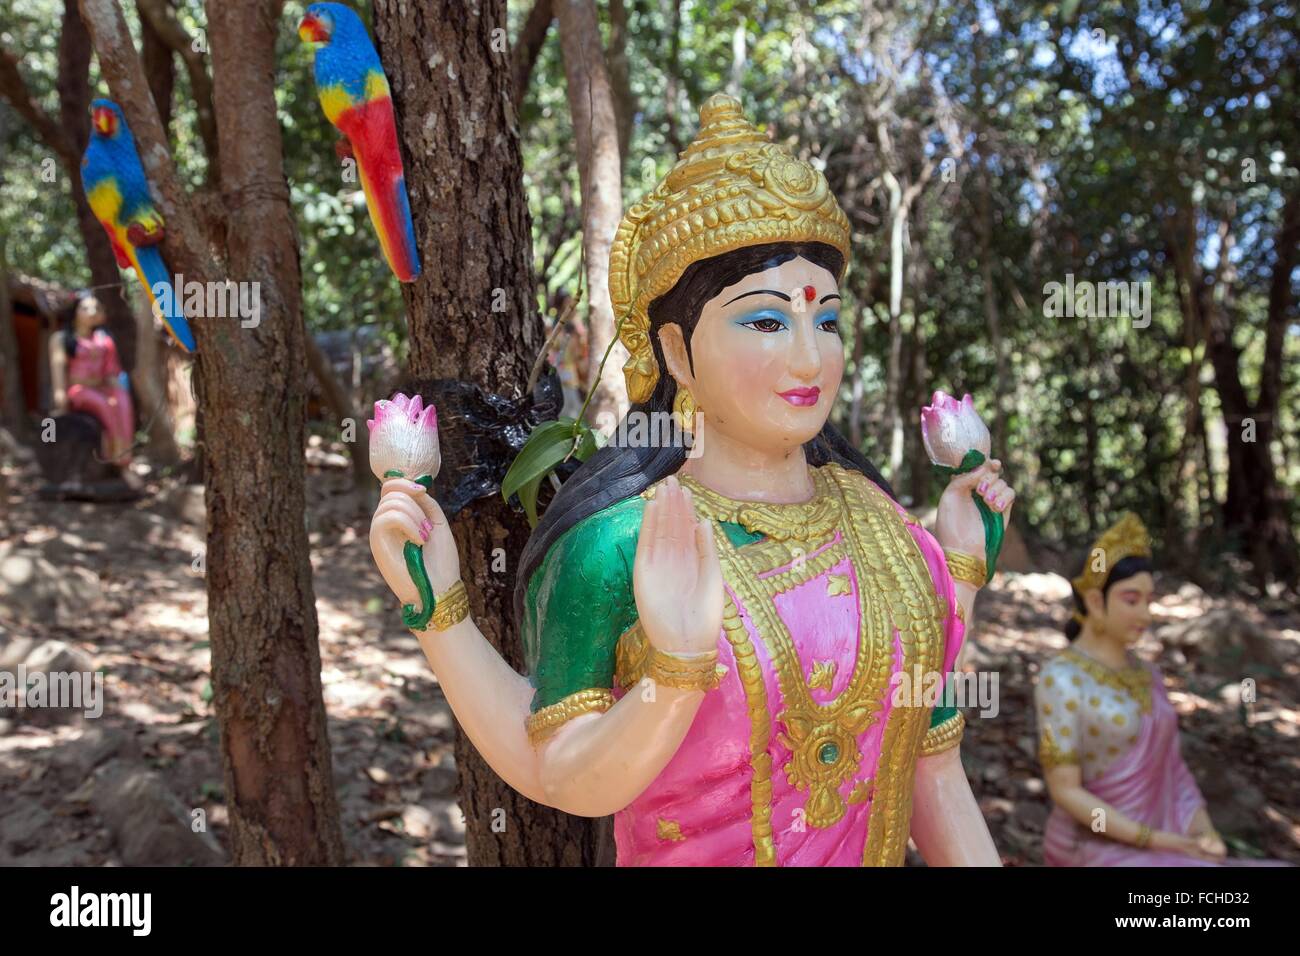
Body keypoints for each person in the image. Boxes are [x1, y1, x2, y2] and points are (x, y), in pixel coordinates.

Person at [369, 94, 1016, 865]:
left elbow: (928, 764)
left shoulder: (885, 528)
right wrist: (443, 618)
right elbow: (562, 773)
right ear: (676, 353)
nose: (811, 358)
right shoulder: (621, 544)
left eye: (829, 320)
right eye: (767, 321)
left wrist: (955, 576)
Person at [1036, 513, 1289, 866]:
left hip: (1167, 839)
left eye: (1148, 599)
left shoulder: (1149, 674)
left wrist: (1204, 834)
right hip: (1092, 848)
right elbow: (1065, 791)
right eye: (1131, 599)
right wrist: (1155, 840)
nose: (1146, 613)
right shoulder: (1059, 678)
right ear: (1095, 602)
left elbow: (1175, 771)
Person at [51, 292, 135, 466]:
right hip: (78, 390)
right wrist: (60, 398)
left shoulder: (104, 340)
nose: (92, 312)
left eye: (96, 308)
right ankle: (111, 454)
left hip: (102, 387)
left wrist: (117, 390)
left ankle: (124, 455)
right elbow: (58, 370)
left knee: (122, 400)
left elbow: (111, 371)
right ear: (75, 312)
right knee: (102, 403)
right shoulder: (62, 339)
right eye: (85, 308)